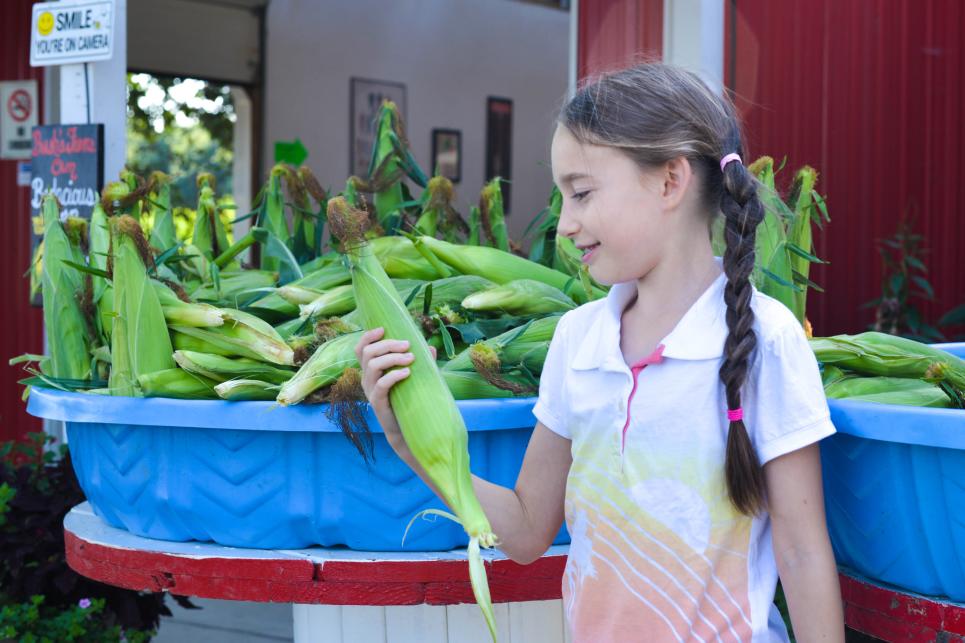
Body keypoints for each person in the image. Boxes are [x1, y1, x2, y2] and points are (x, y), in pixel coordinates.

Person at [355, 62, 844, 642]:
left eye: (582, 193)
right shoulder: (578, 340)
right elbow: (529, 529)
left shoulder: (768, 337)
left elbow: (803, 554)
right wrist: (411, 443)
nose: (564, 223)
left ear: (669, 182)